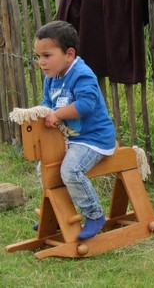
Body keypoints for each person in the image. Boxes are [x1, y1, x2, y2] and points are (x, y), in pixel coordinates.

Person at [33, 20, 116, 240]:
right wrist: (40, 113)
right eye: (38, 56)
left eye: (47, 56)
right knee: (45, 168)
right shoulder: (51, 78)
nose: (41, 62)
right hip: (71, 139)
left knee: (70, 170)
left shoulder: (82, 74)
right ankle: (61, 214)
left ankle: (94, 215)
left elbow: (86, 105)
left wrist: (57, 115)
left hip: (94, 139)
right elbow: (46, 103)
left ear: (69, 54)